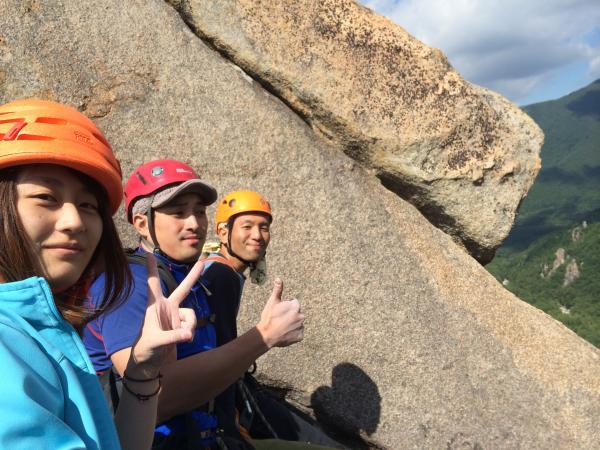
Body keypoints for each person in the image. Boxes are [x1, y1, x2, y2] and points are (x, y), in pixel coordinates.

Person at [0, 99, 201, 450]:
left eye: (88, 205)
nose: (74, 221)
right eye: (46, 197)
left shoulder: (37, 326)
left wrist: (141, 372)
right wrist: (262, 337)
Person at [83, 160, 309, 449]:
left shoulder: (187, 276)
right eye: (178, 212)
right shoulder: (132, 284)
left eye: (199, 212)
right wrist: (265, 335)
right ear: (142, 224)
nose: (194, 223)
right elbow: (149, 399)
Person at [204, 192, 344, 449]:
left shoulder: (218, 269)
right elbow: (220, 356)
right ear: (223, 232)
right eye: (247, 226)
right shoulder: (221, 276)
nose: (257, 235)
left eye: (264, 227)